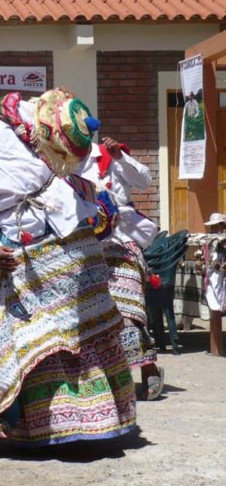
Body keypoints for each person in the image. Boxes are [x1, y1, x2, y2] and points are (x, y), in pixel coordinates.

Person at [0, 75, 136, 446]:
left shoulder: (8, 115)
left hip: (71, 222)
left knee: (84, 325)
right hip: (23, 246)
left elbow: (63, 120)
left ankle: (100, 420)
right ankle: (48, 426)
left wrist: (77, 131)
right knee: (40, 336)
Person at [78, 136, 165, 400]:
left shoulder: (108, 156)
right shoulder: (63, 164)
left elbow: (144, 180)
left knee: (128, 311)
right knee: (93, 315)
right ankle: (105, 378)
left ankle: (148, 367)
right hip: (85, 249)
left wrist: (119, 157)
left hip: (122, 244)